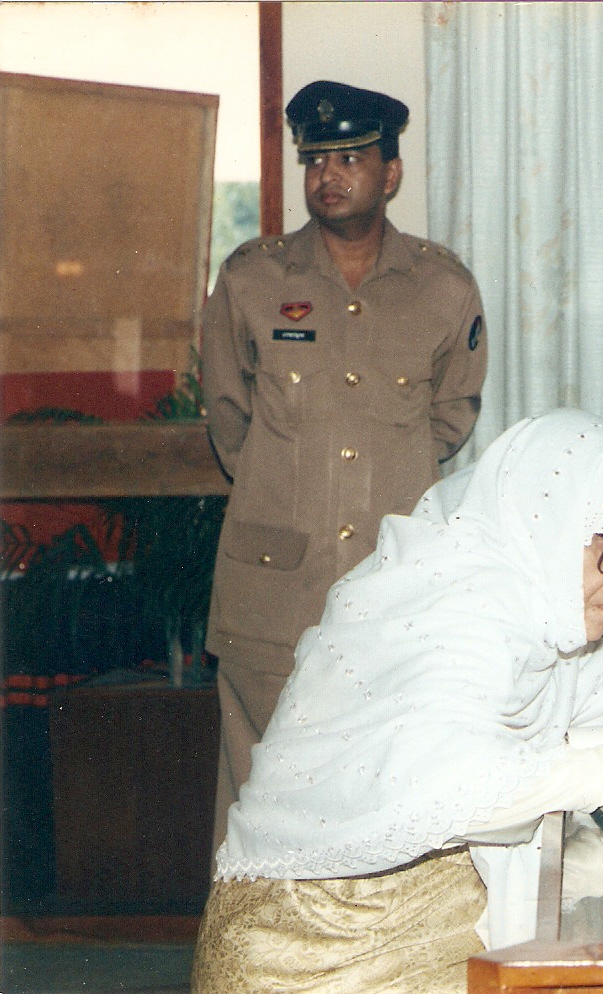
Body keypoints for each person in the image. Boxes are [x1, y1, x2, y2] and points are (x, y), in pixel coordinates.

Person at [191, 409, 603, 993]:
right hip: (316, 951)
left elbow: (585, 677)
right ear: (548, 525)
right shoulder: (454, 615)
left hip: (426, 910)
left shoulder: (513, 600)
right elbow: (460, 790)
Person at [201, 80, 489, 850]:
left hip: (389, 593)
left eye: (350, 158)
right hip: (273, 586)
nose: (329, 174)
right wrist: (285, 483)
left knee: (382, 794)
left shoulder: (443, 286)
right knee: (258, 801)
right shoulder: (251, 280)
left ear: (389, 174)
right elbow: (229, 421)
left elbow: (451, 417)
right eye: (315, 159)